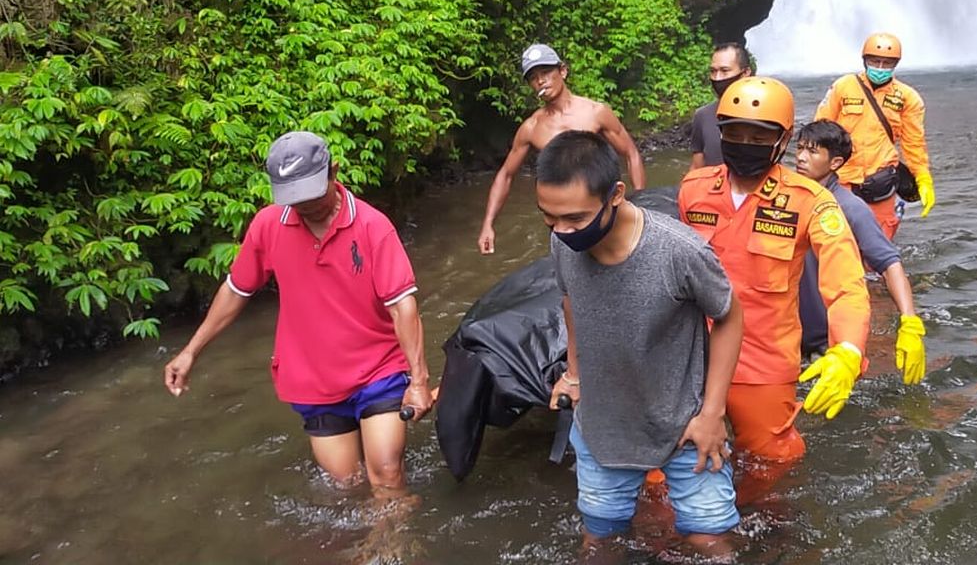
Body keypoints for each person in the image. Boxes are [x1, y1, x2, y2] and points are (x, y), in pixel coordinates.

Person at [163, 131, 434, 496]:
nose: (305, 206)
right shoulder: (268, 225)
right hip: (313, 379)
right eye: (295, 198)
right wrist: (190, 351)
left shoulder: (372, 227)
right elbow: (236, 290)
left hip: (377, 369)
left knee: (386, 474)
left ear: (333, 172)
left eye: (312, 193)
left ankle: (393, 547)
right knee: (346, 485)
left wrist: (418, 381)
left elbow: (403, 306)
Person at [539, 131, 743, 557]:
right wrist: (573, 376)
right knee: (601, 540)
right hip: (603, 426)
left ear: (616, 194)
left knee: (711, 540)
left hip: (684, 423)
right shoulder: (562, 242)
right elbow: (569, 300)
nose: (562, 230)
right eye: (549, 217)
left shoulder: (679, 251)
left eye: (575, 219)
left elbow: (729, 315)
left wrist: (712, 413)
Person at [677, 77, 871, 497]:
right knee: (667, 468)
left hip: (763, 360)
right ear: (720, 133)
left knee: (771, 468)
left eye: (758, 136)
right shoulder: (693, 191)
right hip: (690, 357)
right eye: (735, 133)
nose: (745, 143)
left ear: (782, 140)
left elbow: (846, 284)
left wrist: (848, 350)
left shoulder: (809, 201)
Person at [477, 43, 646, 255]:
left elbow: (631, 153)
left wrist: (641, 199)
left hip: (601, 206)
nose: (540, 81)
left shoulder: (595, 112)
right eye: (533, 77)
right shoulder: (532, 128)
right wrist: (488, 224)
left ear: (563, 71)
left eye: (546, 72)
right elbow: (506, 175)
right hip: (563, 218)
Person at [794, 120, 927, 384]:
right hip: (786, 332)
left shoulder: (850, 207)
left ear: (835, 163)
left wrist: (909, 322)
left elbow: (890, 263)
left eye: (812, 152)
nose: (800, 158)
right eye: (799, 149)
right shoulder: (788, 197)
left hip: (828, 339)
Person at [814, 32, 935, 240]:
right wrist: (814, 175)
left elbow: (914, 143)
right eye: (874, 61)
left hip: (881, 182)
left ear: (895, 64)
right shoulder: (843, 87)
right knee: (833, 238)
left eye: (887, 63)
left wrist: (923, 178)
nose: (880, 67)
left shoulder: (908, 98)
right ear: (864, 60)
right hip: (841, 179)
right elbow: (819, 130)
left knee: (880, 241)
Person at [690, 42, 754, 169]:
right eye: (713, 71)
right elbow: (697, 166)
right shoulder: (702, 116)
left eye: (725, 71)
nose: (717, 78)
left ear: (745, 72)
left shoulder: (765, 113)